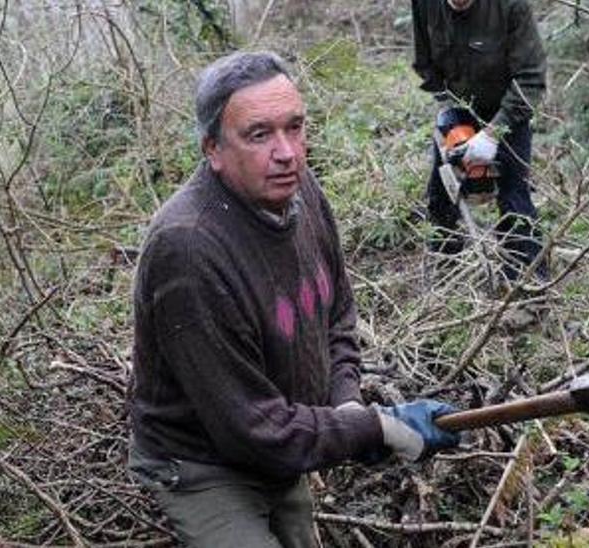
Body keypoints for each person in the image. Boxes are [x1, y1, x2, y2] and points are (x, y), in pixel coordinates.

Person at [126, 51, 461, 547]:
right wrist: (374, 429)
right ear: (213, 149)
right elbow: (251, 429)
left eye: (295, 127)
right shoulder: (188, 250)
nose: (287, 152)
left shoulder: (297, 188)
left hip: (280, 436)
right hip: (202, 462)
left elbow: (337, 317)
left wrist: (346, 405)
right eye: (259, 134)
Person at [413, 0, 548, 282]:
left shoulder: (511, 6)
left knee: (515, 199)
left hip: (509, 108)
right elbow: (425, 63)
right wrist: (449, 106)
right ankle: (444, 272)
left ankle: (527, 289)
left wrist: (493, 133)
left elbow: (531, 78)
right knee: (441, 192)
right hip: (460, 104)